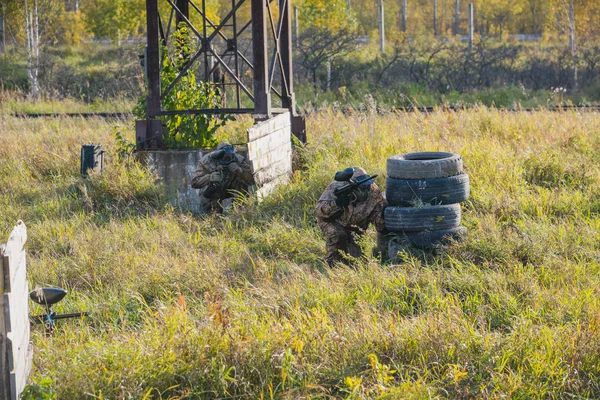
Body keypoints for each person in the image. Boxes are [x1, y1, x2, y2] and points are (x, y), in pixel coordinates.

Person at [314, 167, 387, 266]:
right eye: (362, 187)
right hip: (332, 222)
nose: (366, 190)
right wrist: (337, 204)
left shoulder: (373, 191)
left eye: (367, 186)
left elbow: (377, 212)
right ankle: (329, 263)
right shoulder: (336, 188)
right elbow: (319, 212)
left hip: (355, 228)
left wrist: (384, 221)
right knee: (338, 235)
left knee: (357, 263)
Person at [191, 142, 254, 214]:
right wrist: (209, 178)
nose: (228, 159)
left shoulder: (238, 160)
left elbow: (252, 181)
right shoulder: (207, 161)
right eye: (225, 157)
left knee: (242, 184)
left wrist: (240, 170)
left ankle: (240, 213)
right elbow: (194, 183)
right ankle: (212, 216)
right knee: (211, 208)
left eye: (230, 156)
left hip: (232, 187)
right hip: (215, 189)